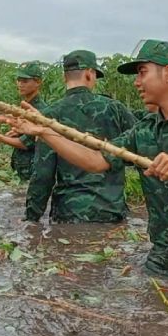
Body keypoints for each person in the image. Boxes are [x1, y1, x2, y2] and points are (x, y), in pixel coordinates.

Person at [0, 39, 168, 286]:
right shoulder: (142, 131)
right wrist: (45, 132)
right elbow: (96, 161)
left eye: (142, 72)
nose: (137, 82)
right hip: (163, 260)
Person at [24, 49, 136, 223]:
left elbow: (42, 175)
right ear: (90, 74)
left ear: (64, 77)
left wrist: (31, 219)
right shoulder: (115, 108)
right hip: (111, 210)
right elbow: (140, 151)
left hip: (68, 213)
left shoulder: (50, 115)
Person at [0, 61, 47, 180]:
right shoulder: (24, 107)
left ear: (38, 82)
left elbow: (24, 144)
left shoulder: (39, 111)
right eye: (18, 80)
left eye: (25, 81)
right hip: (24, 170)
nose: (20, 84)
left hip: (33, 172)